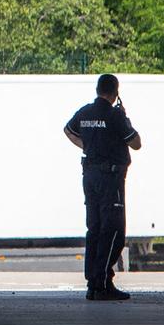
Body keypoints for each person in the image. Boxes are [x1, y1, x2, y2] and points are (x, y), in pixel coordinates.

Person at [63, 73, 141, 301]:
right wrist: (124, 119)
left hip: (89, 175)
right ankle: (103, 281)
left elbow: (68, 131)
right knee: (114, 229)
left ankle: (93, 283)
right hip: (111, 178)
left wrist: (88, 145)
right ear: (115, 92)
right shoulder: (115, 115)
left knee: (94, 228)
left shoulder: (85, 112)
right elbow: (136, 143)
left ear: (98, 90)